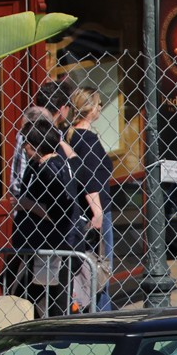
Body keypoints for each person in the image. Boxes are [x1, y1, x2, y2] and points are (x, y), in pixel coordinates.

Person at [15, 119, 83, 318]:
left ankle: (56, 338)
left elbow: (59, 211)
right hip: (46, 246)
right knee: (34, 294)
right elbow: (77, 161)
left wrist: (27, 205)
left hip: (55, 247)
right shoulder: (50, 164)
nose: (24, 148)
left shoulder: (50, 170)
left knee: (53, 299)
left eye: (26, 143)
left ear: (35, 145)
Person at [65, 86, 113, 311]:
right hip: (96, 210)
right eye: (99, 104)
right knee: (101, 266)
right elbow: (90, 178)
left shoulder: (69, 136)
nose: (101, 108)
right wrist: (98, 211)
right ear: (90, 109)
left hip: (79, 211)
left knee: (87, 266)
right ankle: (102, 312)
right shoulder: (88, 139)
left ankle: (89, 307)